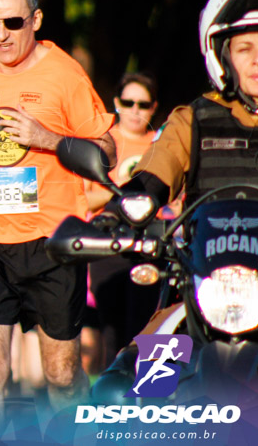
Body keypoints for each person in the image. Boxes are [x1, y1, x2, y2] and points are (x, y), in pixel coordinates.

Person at [0, 0, 115, 428]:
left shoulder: (65, 73)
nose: (1, 34)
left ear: (35, 20)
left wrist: (47, 138)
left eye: (13, 22)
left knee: (59, 373)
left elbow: (107, 150)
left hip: (52, 241)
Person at [126, 0, 258, 264]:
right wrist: (127, 204)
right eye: (244, 49)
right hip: (205, 278)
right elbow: (156, 173)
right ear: (222, 57)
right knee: (165, 313)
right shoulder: (193, 120)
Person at [82, 73, 163, 375]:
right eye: (128, 102)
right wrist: (116, 195)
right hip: (108, 245)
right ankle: (111, 405)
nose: (135, 110)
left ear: (154, 107)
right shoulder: (103, 143)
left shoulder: (163, 144)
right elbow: (82, 199)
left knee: (152, 327)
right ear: (116, 103)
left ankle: (155, 401)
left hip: (154, 245)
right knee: (112, 333)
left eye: (143, 104)